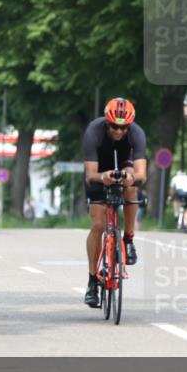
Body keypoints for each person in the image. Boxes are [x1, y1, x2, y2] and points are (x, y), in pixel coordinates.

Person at [81, 97, 147, 308]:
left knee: (132, 186)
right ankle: (92, 281)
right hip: (99, 170)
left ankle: (128, 239)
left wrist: (131, 178)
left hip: (123, 166)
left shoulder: (137, 134)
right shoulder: (94, 131)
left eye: (123, 128)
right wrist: (103, 177)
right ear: (106, 122)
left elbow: (142, 174)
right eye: (114, 127)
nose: (118, 132)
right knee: (98, 226)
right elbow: (90, 174)